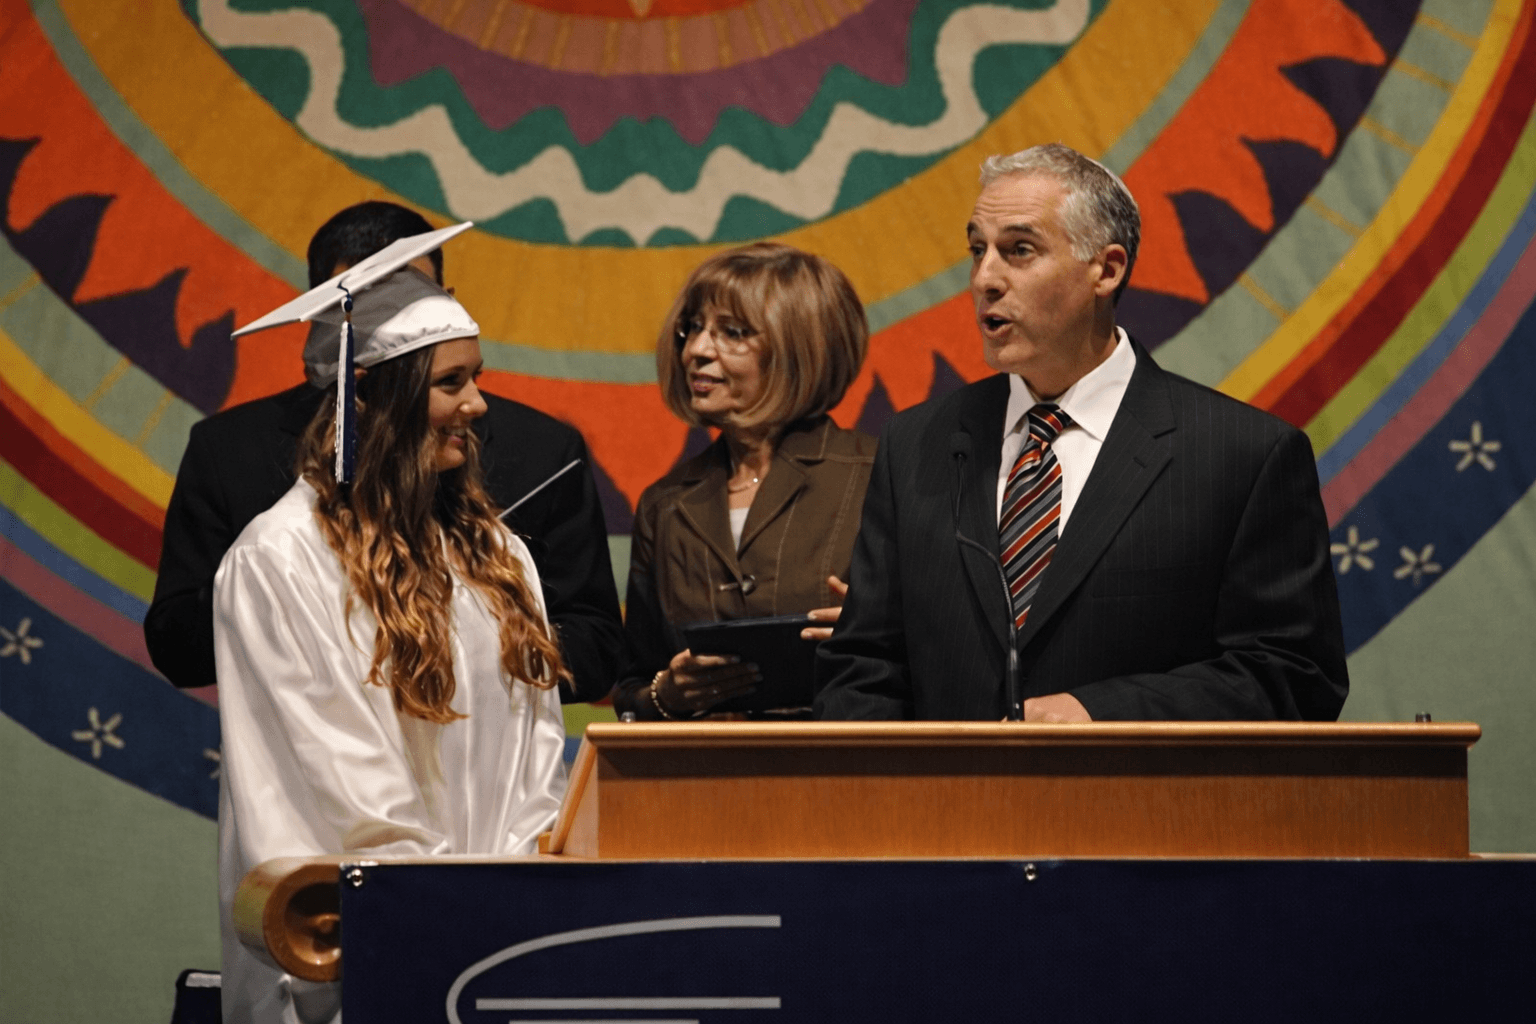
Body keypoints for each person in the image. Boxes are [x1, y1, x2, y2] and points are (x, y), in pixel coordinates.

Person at [814, 144, 1348, 722]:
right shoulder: (918, 444)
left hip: (1141, 804)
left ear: (1107, 269)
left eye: (1019, 250)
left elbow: (1293, 674)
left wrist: (1101, 713)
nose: (984, 279)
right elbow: (866, 668)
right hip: (950, 807)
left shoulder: (1241, 455)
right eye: (977, 250)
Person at [215, 247, 568, 1023]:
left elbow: (536, 763)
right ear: (371, 400)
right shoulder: (281, 563)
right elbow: (345, 786)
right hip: (360, 958)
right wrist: (450, 916)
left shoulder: (498, 556)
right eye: (451, 383)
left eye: (478, 378)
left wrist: (522, 901)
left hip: (497, 954)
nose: (478, 405)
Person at [146, 202, 623, 702]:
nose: (397, 316)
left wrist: (461, 648)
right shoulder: (235, 458)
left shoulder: (542, 455)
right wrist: (290, 593)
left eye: (413, 296)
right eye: (368, 303)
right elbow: (177, 646)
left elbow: (595, 645)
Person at [612, 243, 875, 720]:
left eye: (732, 333)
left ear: (801, 347)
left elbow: (950, 647)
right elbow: (633, 683)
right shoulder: (665, 503)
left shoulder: (878, 475)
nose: (696, 350)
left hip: (846, 771)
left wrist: (880, 639)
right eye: (692, 329)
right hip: (703, 781)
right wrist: (666, 694)